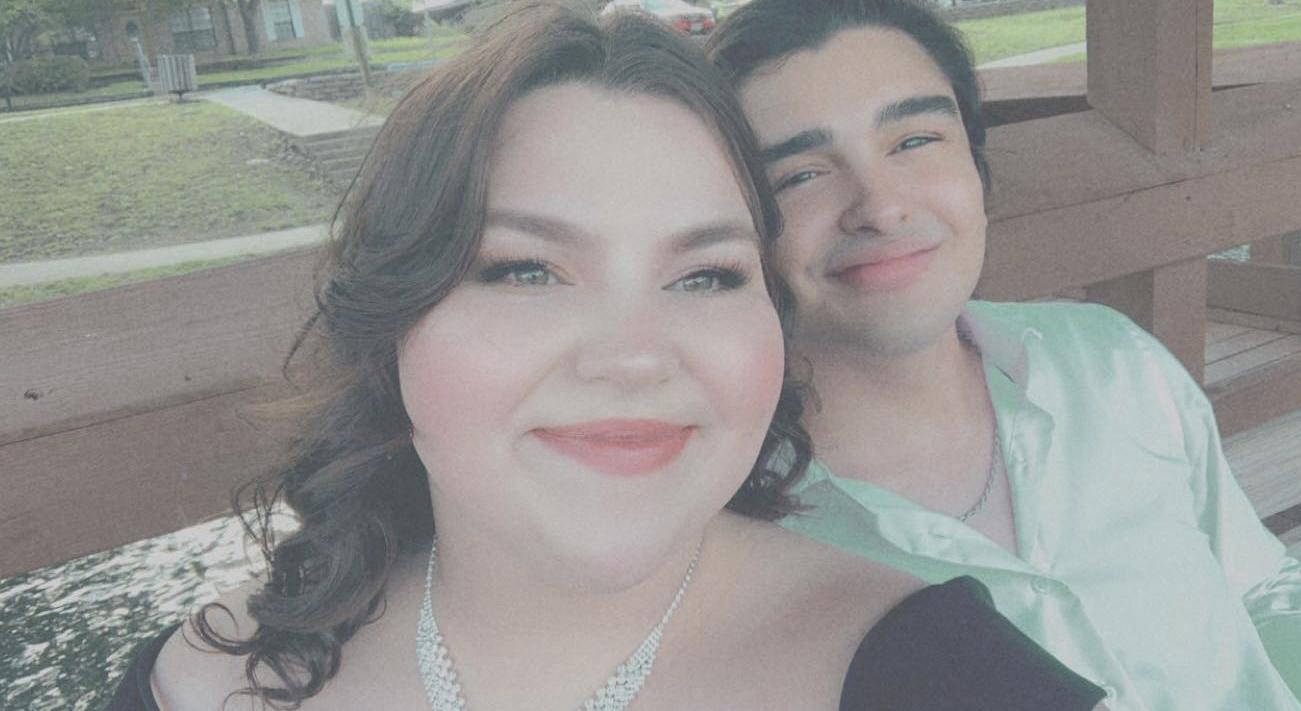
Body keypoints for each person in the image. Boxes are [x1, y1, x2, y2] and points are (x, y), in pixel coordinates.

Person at [106, 6, 1107, 710]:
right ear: (391, 318)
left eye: (706, 275)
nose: (633, 358)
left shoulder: (939, 675)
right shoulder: (200, 682)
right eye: (526, 270)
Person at [707, 1, 1301, 709]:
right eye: (799, 175)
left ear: (975, 164)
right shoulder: (734, 533)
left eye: (914, 140)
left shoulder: (1109, 360)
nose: (881, 207)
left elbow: (1256, 585)